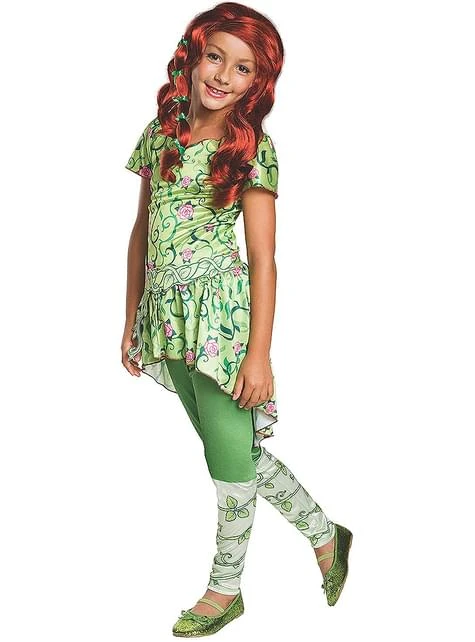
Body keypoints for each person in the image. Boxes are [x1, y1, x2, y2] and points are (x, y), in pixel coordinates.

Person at [121, 2, 352, 636]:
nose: (223, 75)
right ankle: (325, 533)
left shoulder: (250, 149)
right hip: (166, 316)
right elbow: (142, 231)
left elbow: (263, 259)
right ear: (192, 57)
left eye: (243, 67)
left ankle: (225, 588)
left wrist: (258, 354)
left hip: (220, 322)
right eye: (215, 56)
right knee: (236, 450)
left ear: (258, 82)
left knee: (227, 461)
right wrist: (131, 317)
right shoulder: (160, 134)